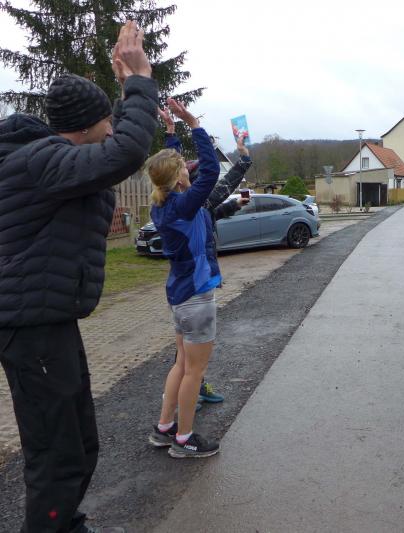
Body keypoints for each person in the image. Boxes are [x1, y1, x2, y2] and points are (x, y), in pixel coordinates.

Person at [0, 21, 155, 533]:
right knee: (56, 454)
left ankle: (65, 522)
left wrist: (125, 95)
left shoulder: (55, 161)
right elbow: (124, 153)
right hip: (32, 330)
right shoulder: (42, 161)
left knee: (80, 443)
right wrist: (140, 84)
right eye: (105, 120)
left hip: (48, 321)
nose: (111, 128)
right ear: (85, 127)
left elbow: (110, 154)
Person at [159, 111, 253, 410]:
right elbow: (222, 182)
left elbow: (214, 211)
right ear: (184, 180)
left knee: (188, 353)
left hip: (183, 286)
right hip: (194, 288)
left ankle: (190, 392)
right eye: (186, 172)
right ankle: (184, 399)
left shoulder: (177, 203)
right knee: (188, 356)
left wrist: (171, 133)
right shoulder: (190, 203)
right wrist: (243, 158)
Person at [146, 98, 221, 458]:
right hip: (195, 298)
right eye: (182, 168)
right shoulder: (184, 205)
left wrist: (171, 132)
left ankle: (164, 428)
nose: (188, 169)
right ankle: (184, 439)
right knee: (194, 371)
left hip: (179, 295)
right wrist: (194, 123)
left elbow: (169, 167)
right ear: (178, 178)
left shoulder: (161, 203)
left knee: (181, 364)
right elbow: (211, 170)